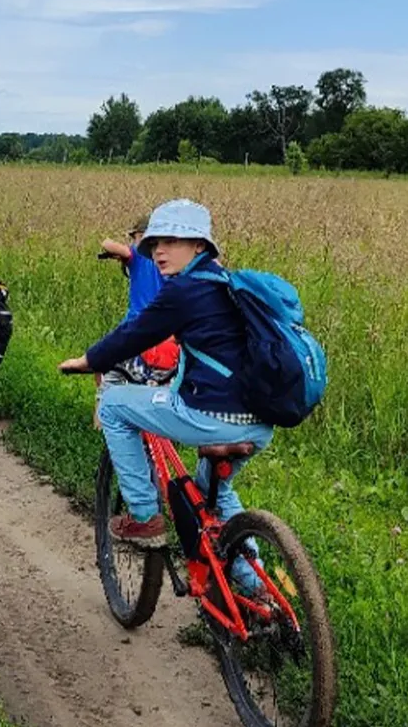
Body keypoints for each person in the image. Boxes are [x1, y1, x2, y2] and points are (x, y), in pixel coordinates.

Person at [58, 199, 274, 593]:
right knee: (215, 491)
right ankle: (256, 590)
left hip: (212, 418)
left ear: (199, 246)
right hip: (260, 422)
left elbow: (135, 335)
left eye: (172, 241)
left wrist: (89, 361)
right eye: (155, 242)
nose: (159, 250)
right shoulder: (228, 284)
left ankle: (144, 517)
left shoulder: (185, 290)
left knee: (114, 404)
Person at [94, 215, 180, 427]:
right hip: (169, 331)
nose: (133, 242)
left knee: (102, 366)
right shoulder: (174, 262)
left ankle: (102, 423)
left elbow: (108, 244)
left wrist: (122, 252)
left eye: (136, 237)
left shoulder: (138, 256)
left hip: (136, 329)